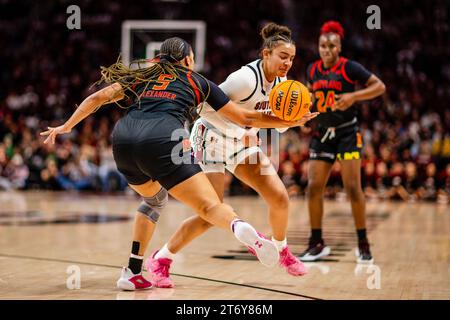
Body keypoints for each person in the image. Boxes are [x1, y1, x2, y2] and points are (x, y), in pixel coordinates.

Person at [40, 37, 316, 291]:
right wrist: (286, 121)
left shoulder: (142, 74)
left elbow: (97, 98)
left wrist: (66, 126)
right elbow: (245, 118)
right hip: (165, 138)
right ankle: (241, 228)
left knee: (155, 200)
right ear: (186, 60)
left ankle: (133, 271)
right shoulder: (198, 81)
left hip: (123, 140)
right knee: (211, 206)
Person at [145, 23, 312, 289]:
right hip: (210, 137)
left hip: (240, 141)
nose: (287, 63)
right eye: (283, 56)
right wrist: (244, 125)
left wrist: (294, 119)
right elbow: (205, 107)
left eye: (291, 58)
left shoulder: (282, 86)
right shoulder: (244, 79)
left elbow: (277, 124)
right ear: (266, 53)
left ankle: (281, 251)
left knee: (279, 197)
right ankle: (161, 259)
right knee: (212, 211)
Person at [299, 21, 385, 264]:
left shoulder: (350, 68)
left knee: (352, 188)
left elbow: (380, 86)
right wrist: (303, 114)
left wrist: (353, 96)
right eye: (322, 45)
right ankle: (316, 243)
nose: (326, 49)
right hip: (323, 135)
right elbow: (309, 98)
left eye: (331, 45)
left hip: (347, 134)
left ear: (339, 47)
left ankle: (363, 242)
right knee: (314, 187)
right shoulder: (312, 70)